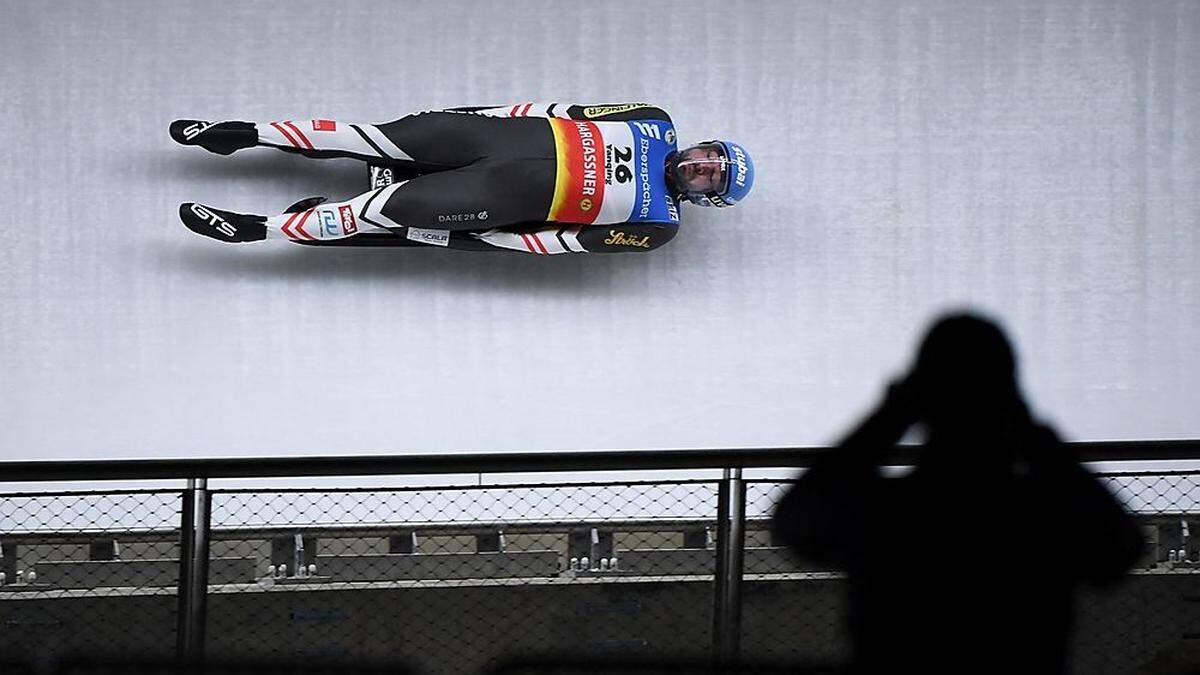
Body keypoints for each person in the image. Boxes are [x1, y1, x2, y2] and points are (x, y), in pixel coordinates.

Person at [771, 313, 1144, 673]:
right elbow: (1120, 550)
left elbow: (793, 522)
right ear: (1009, 399)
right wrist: (1034, 437)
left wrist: (886, 420)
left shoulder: (884, 512)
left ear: (921, 400)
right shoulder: (1042, 514)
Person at [170, 102, 754, 254]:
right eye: (708, 156)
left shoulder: (658, 224)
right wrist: (485, 114)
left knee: (378, 211)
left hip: (493, 198)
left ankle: (253, 229)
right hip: (494, 138)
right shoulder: (652, 120)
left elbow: (573, 242)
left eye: (709, 178)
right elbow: (561, 109)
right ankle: (236, 133)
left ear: (706, 199)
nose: (700, 167)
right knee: (362, 134)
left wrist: (503, 240)